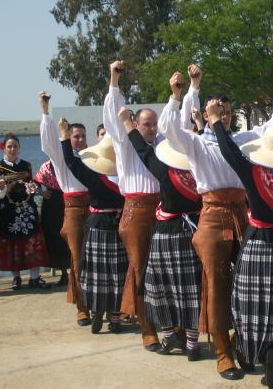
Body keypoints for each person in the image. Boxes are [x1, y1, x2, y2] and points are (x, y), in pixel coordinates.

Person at [159, 68, 273, 380]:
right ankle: (222, 353)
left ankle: (239, 341)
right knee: (216, 286)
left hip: (243, 215)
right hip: (213, 216)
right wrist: (178, 93)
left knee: (252, 284)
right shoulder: (196, 143)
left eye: (228, 111)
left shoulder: (242, 141)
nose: (225, 116)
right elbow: (169, 130)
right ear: (205, 114)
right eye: (218, 111)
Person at [207, 95, 273, 389]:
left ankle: (260, 358)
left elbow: (230, 152)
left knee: (259, 309)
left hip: (262, 244)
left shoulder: (257, 171)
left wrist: (215, 122)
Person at [118, 90, 203, 362]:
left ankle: (169, 336)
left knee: (158, 285)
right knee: (190, 287)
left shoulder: (164, 170)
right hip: (190, 231)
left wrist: (128, 125)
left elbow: (143, 152)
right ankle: (191, 343)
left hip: (166, 233)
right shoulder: (198, 173)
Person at [103, 60, 163, 351]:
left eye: (154, 124)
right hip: (136, 212)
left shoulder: (162, 145)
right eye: (146, 124)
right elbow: (114, 118)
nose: (151, 128)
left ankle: (170, 324)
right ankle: (147, 330)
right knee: (140, 269)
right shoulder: (126, 144)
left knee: (163, 268)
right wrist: (114, 82)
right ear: (136, 125)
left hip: (161, 211)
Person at [60, 120, 128, 334]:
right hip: (117, 224)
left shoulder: (93, 175)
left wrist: (64, 136)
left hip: (97, 225)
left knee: (97, 273)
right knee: (117, 272)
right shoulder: (126, 177)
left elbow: (70, 161)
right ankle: (113, 316)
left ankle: (98, 309)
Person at [39, 93, 92, 324]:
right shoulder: (61, 159)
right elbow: (48, 142)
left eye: (82, 136)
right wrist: (45, 112)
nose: (79, 140)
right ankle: (82, 307)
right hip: (73, 210)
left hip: (95, 210)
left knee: (99, 258)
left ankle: (103, 303)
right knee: (77, 259)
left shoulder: (93, 157)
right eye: (75, 136)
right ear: (69, 138)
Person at [0, 133, 51, 289]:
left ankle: (34, 277)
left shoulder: (26, 165)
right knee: (11, 244)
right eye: (9, 146)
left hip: (26, 209)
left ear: (19, 148)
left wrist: (35, 190)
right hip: (7, 210)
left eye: (15, 146)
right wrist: (3, 187)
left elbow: (31, 184)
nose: (12, 149)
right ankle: (16, 278)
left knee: (32, 242)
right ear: (4, 148)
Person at [34, 159, 69, 285]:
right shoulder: (46, 166)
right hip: (51, 203)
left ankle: (75, 272)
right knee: (54, 236)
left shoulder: (67, 162)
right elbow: (35, 182)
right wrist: (41, 193)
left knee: (68, 235)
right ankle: (63, 272)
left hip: (67, 200)